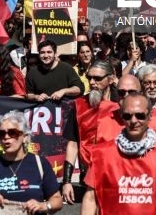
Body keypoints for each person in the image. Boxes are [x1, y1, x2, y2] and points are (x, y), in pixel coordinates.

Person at [80, 94, 156, 215]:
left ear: (150, 116)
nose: (133, 121)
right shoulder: (101, 154)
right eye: (127, 116)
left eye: (140, 116)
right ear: (121, 116)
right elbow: (90, 198)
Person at [0, 110, 62, 214]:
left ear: (25, 137)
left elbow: (57, 201)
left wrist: (42, 206)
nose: (6, 137)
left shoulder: (40, 164)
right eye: (1, 134)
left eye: (12, 133)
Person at [61, 60, 119, 204]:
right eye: (89, 78)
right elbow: (73, 144)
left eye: (97, 78)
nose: (92, 82)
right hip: (88, 175)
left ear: (111, 79)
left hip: (118, 173)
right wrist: (67, 181)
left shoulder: (122, 104)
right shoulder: (79, 105)